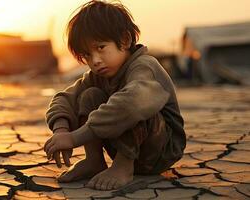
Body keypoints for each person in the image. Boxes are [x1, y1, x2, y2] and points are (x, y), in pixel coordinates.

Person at [44, 1, 186, 191]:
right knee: (89, 95)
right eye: (87, 55)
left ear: (125, 40)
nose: (95, 60)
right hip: (127, 147)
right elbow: (65, 98)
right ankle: (94, 161)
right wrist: (61, 130)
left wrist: (75, 137)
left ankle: (123, 166)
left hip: (159, 152)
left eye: (101, 47)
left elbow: (132, 105)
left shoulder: (144, 66)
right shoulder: (98, 76)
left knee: (132, 102)